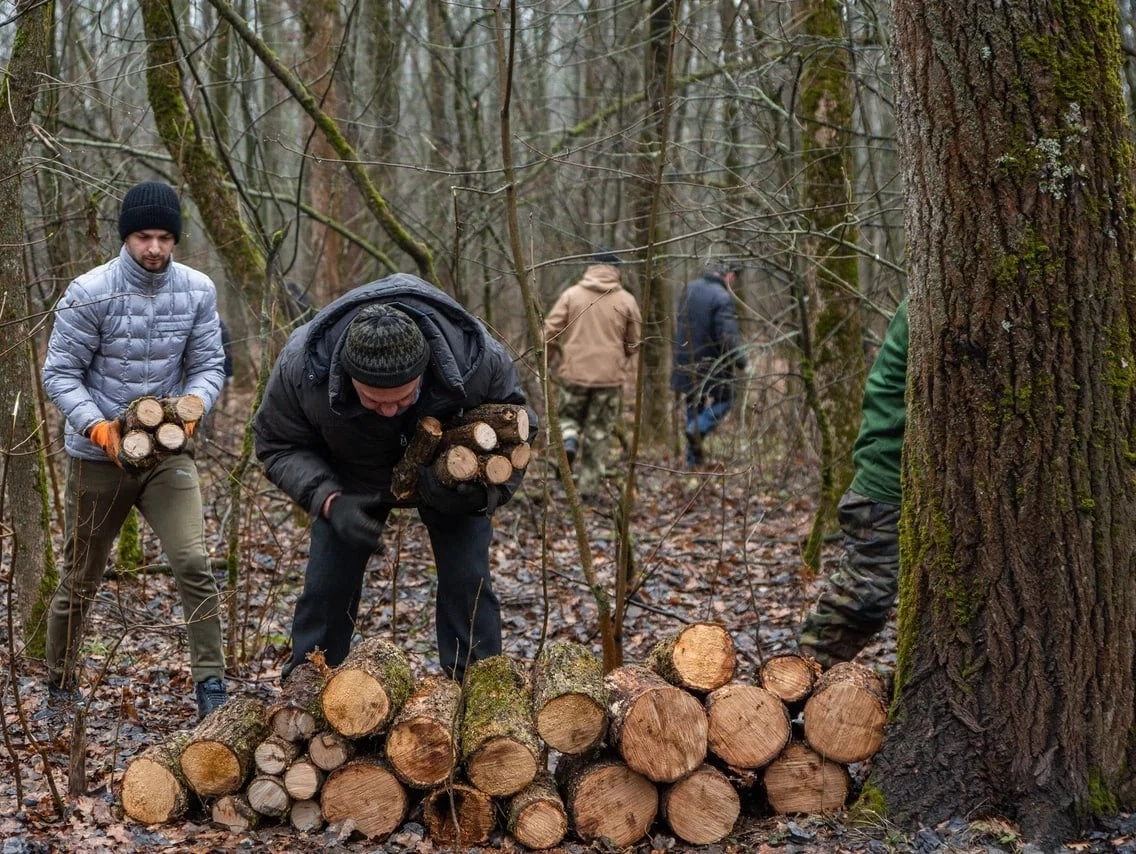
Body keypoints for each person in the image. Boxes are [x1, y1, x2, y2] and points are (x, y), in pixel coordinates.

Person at [252, 274, 535, 683]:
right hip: (351, 475)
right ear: (346, 376)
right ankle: (309, 692)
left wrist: (480, 495)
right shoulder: (303, 366)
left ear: (426, 370)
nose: (388, 410)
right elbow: (276, 442)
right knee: (326, 587)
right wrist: (329, 498)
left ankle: (480, 696)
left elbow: (519, 431)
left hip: (450, 473)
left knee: (468, 582)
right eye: (372, 400)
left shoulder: (476, 359)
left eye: (402, 399)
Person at [41, 181, 229, 720]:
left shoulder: (197, 290)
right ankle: (59, 686)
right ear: (126, 237)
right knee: (82, 574)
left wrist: (193, 408)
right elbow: (60, 372)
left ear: (175, 240)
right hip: (98, 458)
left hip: (168, 455)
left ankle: (211, 688)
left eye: (164, 237)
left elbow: (209, 363)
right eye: (144, 236)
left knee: (193, 560)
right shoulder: (90, 291)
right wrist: (98, 429)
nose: (154, 247)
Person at [797, 299, 908, 668]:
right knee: (866, 596)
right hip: (886, 484)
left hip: (895, 477)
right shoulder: (930, 306)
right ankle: (794, 685)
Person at [543, 249, 641, 499]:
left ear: (591, 267)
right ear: (616, 270)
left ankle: (569, 440)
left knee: (567, 418)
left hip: (574, 373)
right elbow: (634, 343)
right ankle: (587, 491)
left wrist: (546, 360)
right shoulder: (626, 300)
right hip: (609, 379)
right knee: (598, 434)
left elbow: (549, 331)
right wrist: (620, 356)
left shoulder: (571, 295)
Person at [670, 258, 748, 467]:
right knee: (727, 399)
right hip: (711, 364)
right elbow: (728, 336)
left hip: (685, 362)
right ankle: (698, 429)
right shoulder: (722, 297)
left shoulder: (689, 289)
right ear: (730, 275)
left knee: (693, 407)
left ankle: (691, 462)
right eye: (735, 279)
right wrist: (742, 361)